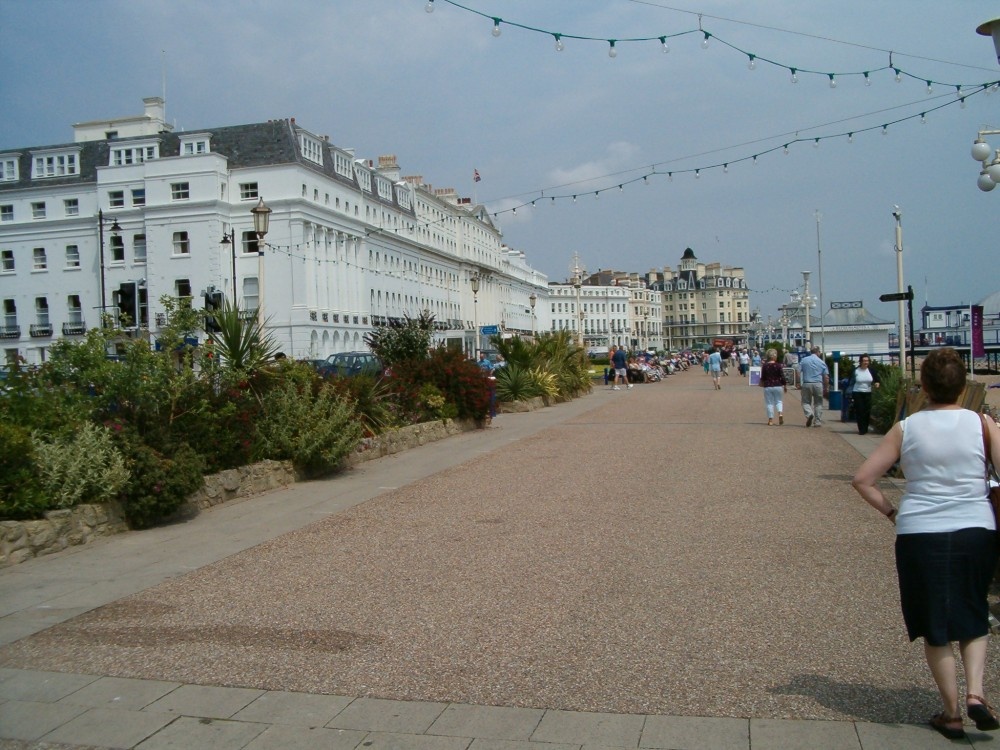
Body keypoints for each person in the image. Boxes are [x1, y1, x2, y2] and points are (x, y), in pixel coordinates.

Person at [852, 348, 1000, 740]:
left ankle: (951, 714)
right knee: (974, 609)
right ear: (963, 386)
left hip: (920, 532)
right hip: (975, 529)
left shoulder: (907, 428)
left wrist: (892, 513)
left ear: (924, 386)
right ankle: (976, 693)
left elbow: (863, 479)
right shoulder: (982, 424)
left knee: (934, 621)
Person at [847, 354, 881, 435]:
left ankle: (865, 427)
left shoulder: (871, 370)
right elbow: (850, 382)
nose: (866, 362)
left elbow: (877, 379)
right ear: (860, 362)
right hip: (857, 392)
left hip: (868, 392)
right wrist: (849, 393)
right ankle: (861, 429)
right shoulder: (856, 371)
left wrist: (877, 383)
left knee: (867, 411)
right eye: (864, 361)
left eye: (867, 361)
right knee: (860, 410)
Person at [798, 345, 829, 427]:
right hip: (818, 384)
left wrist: (798, 383)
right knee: (818, 403)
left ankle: (809, 414)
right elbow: (826, 377)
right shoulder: (822, 362)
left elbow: (798, 372)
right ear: (818, 352)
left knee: (805, 402)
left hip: (807, 383)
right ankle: (817, 421)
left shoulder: (804, 360)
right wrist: (826, 387)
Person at [758, 348, 787, 426]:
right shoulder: (778, 365)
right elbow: (782, 376)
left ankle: (770, 420)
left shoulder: (765, 366)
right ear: (775, 356)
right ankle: (780, 413)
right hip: (778, 385)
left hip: (768, 385)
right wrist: (784, 385)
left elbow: (763, 377)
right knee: (779, 401)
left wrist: (761, 383)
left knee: (769, 403)